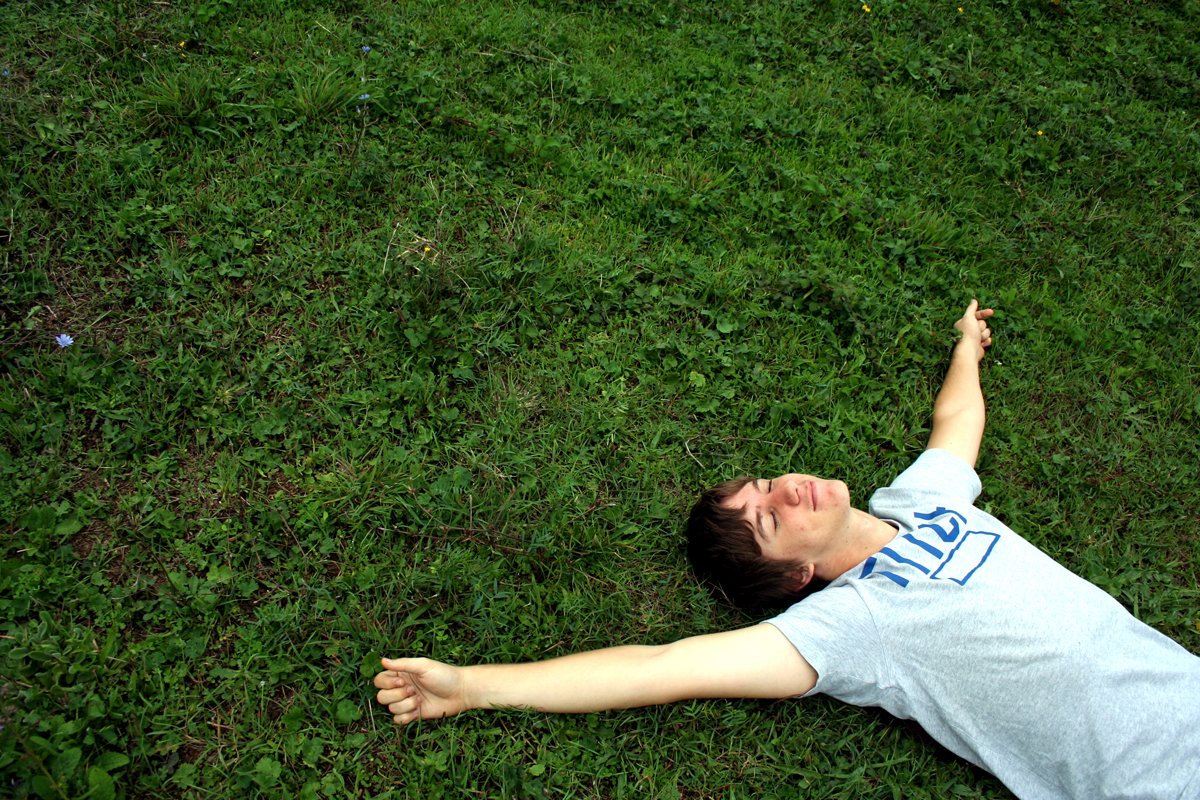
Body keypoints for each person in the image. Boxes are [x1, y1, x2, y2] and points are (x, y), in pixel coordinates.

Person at [372, 301, 1200, 800]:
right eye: (770, 517)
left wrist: (963, 348)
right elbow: (665, 666)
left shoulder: (918, 502)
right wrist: (475, 686)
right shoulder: (851, 625)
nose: (787, 489)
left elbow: (957, 427)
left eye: (764, 484)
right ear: (796, 574)